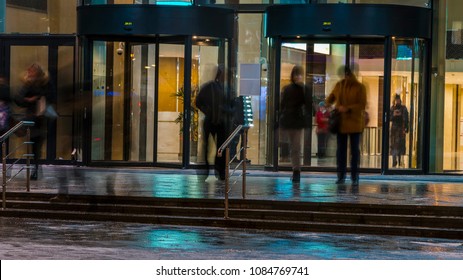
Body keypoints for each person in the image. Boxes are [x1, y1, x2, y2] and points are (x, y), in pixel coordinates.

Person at [326, 64, 366, 187]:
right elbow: (330, 98)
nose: (345, 76)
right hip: (342, 124)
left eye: (347, 74)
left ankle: (354, 176)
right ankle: (342, 176)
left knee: (354, 151)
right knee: (341, 151)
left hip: (354, 123)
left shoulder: (359, 87)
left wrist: (347, 108)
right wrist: (330, 104)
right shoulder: (339, 85)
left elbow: (361, 104)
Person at [16, 63, 54, 180]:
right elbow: (18, 99)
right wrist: (30, 100)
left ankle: (35, 168)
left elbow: (51, 96)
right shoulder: (28, 84)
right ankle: (35, 167)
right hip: (31, 119)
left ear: (37, 72)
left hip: (40, 119)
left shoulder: (45, 84)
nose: (29, 73)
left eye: (31, 71)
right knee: (33, 145)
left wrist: (35, 98)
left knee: (36, 145)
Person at [195, 66, 231, 181]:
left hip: (220, 122)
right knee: (207, 146)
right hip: (211, 121)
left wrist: (225, 111)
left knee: (221, 147)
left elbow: (230, 105)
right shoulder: (210, 87)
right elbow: (198, 102)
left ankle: (219, 171)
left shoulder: (224, 89)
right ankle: (207, 171)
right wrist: (208, 111)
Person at [279, 65, 312, 183]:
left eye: (299, 74)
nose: (298, 77)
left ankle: (296, 171)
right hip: (289, 121)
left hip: (295, 122)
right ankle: (295, 170)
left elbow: (308, 106)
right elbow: (282, 105)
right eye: (296, 74)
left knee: (295, 148)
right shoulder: (288, 89)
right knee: (293, 147)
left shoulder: (303, 89)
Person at [390, 94, 409, 168]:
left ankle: (400, 160)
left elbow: (406, 119)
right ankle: (394, 161)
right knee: (394, 145)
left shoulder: (403, 108)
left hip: (400, 129)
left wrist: (406, 128)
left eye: (398, 100)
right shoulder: (392, 108)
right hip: (394, 130)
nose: (397, 101)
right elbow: (389, 118)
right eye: (396, 100)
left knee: (400, 145)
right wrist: (394, 115)